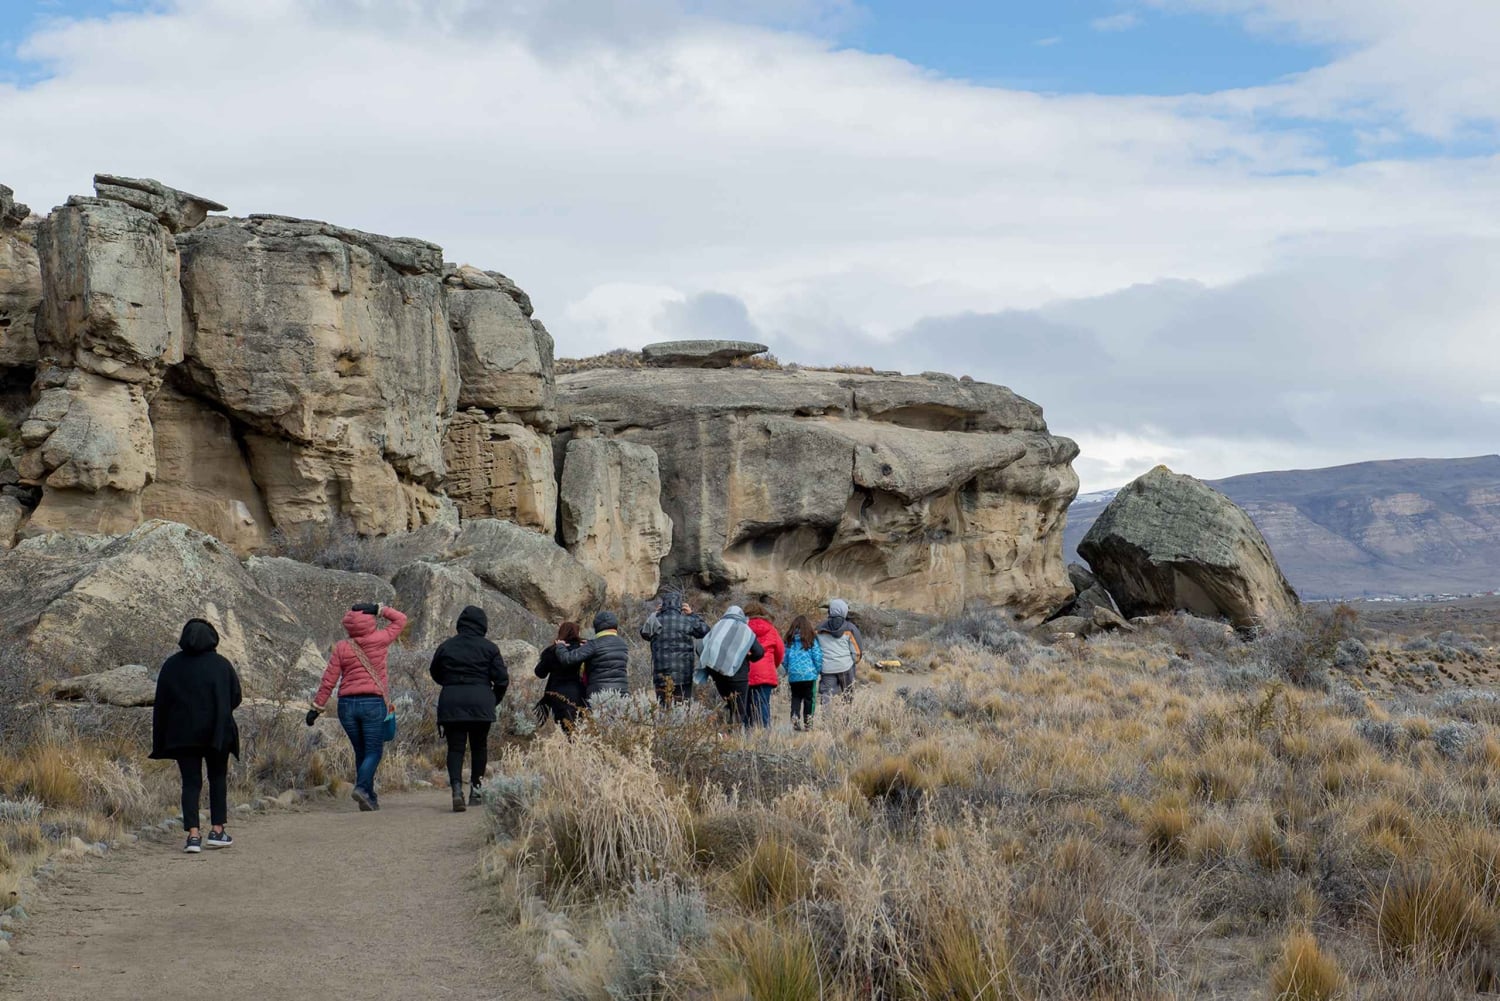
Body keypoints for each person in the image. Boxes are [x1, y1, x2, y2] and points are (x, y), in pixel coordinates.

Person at [151, 619, 243, 854]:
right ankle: (218, 830)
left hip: (183, 735)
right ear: (212, 638)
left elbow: (161, 702)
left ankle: (193, 835)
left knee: (191, 783)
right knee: (218, 778)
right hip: (217, 733)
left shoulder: (171, 665)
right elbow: (236, 697)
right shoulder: (221, 665)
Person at [306, 602, 408, 812]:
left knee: (361, 751)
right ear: (370, 621)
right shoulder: (380, 639)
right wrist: (380, 609)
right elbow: (401, 619)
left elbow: (329, 679)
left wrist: (317, 707)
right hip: (372, 703)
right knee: (374, 751)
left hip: (347, 706)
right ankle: (361, 788)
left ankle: (369, 797)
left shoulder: (343, 647)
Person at [429, 606, 508, 813]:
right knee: (479, 747)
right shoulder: (490, 648)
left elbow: (435, 672)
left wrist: (451, 682)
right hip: (480, 701)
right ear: (483, 625)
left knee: (455, 748)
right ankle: (476, 790)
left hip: (451, 700)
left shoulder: (446, 646)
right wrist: (493, 699)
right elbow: (502, 679)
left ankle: (456, 789)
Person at [698, 606, 764, 729]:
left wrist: (711, 665)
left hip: (718, 673)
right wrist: (746, 657)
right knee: (738, 708)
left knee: (728, 702)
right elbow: (759, 652)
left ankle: (721, 730)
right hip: (739, 674)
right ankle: (734, 737)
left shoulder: (718, 626)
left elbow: (701, 646)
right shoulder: (745, 629)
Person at [640, 589, 709, 705]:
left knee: (664, 708)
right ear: (680, 605)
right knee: (682, 707)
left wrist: (654, 614)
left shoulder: (656, 621)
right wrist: (692, 614)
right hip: (684, 674)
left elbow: (644, 633)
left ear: (663, 605)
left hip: (661, 676)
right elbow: (705, 631)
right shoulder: (687, 620)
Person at [554, 611, 630, 702]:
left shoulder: (593, 645)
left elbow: (568, 659)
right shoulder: (623, 644)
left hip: (599, 695)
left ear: (597, 627)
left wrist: (560, 646)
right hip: (622, 693)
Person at [534, 621, 585, 729]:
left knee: (562, 728)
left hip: (556, 694)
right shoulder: (583, 649)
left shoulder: (551, 650)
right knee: (578, 728)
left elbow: (540, 673)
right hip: (578, 693)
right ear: (577, 633)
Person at [744, 603, 784, 729]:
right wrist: (773, 666)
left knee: (745, 706)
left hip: (745, 672)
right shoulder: (771, 629)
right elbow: (780, 651)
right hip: (765, 672)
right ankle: (763, 736)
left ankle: (745, 737)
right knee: (763, 705)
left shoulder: (742, 628)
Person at [816, 598, 863, 708]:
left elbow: (815, 648)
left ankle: (826, 721)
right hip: (845, 667)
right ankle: (845, 720)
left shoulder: (819, 628)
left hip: (827, 668)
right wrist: (853, 662)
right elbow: (857, 652)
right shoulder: (850, 628)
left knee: (826, 696)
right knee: (848, 695)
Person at [782, 614, 823, 731]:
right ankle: (808, 723)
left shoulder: (789, 640)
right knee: (809, 699)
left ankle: (795, 717)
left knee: (796, 697)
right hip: (809, 675)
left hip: (794, 675)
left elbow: (784, 658)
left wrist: (788, 669)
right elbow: (817, 657)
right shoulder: (811, 639)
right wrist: (817, 670)